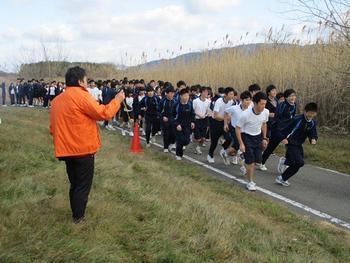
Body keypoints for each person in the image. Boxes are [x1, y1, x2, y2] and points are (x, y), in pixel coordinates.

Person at [50, 66, 125, 224]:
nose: (87, 82)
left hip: (66, 151)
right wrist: (117, 100)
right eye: (86, 80)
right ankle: (78, 218)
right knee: (83, 186)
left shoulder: (57, 101)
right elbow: (104, 113)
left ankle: (76, 214)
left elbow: (53, 128)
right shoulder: (82, 97)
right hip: (83, 150)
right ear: (80, 81)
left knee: (75, 184)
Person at [275, 103, 318, 186]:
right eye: (310, 113)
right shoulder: (297, 119)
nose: (311, 115)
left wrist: (313, 139)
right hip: (290, 142)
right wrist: (283, 138)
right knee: (299, 162)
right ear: (305, 112)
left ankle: (285, 161)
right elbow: (283, 129)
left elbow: (312, 133)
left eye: (313, 113)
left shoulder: (312, 122)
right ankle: (282, 178)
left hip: (299, 144)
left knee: (296, 162)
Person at [235, 92, 269, 191]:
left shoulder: (266, 112)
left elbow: (264, 124)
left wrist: (264, 138)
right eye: (261, 104)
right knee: (251, 163)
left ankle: (242, 156)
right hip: (246, 137)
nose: (263, 106)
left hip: (257, 137)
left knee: (258, 161)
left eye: (264, 104)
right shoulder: (245, 114)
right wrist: (241, 143)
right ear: (255, 103)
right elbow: (237, 128)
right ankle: (250, 182)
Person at [260, 89, 297, 171]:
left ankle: (284, 162)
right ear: (286, 97)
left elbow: (293, 117)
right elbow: (277, 118)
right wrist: (281, 133)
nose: (293, 97)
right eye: (291, 96)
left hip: (288, 130)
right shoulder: (282, 105)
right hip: (278, 129)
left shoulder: (294, 105)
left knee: (291, 146)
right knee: (271, 147)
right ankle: (261, 162)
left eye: (294, 96)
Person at [207, 87, 235, 164]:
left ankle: (223, 149)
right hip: (215, 123)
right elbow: (215, 116)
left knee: (229, 138)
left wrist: (228, 119)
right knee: (214, 142)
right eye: (231, 94)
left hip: (224, 122)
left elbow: (229, 113)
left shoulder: (231, 101)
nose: (232, 96)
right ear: (225, 95)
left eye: (233, 94)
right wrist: (225, 118)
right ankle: (210, 155)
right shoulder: (219, 101)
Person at [224, 91, 252, 167]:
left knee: (238, 149)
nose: (248, 102)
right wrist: (225, 124)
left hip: (245, 131)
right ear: (241, 100)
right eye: (246, 100)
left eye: (249, 100)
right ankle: (242, 167)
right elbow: (226, 112)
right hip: (234, 130)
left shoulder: (251, 109)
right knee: (239, 148)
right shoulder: (234, 108)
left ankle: (226, 153)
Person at [173, 88, 195, 160]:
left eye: (188, 95)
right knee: (180, 140)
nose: (187, 97)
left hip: (187, 126)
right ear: (181, 96)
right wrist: (177, 124)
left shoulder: (190, 104)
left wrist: (192, 122)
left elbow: (192, 114)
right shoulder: (176, 105)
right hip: (178, 126)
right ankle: (178, 155)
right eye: (185, 96)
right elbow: (173, 116)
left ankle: (179, 150)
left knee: (186, 141)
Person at [192, 86, 210, 155]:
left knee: (203, 138)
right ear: (201, 92)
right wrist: (199, 114)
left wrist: (208, 113)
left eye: (207, 92)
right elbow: (193, 110)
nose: (206, 93)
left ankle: (198, 147)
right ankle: (196, 143)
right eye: (205, 92)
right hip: (197, 120)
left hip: (205, 120)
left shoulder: (208, 101)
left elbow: (208, 110)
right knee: (198, 138)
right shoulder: (195, 101)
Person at [159, 85, 176, 152]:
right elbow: (158, 111)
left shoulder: (175, 101)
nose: (172, 94)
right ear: (167, 93)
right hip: (165, 120)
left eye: (173, 93)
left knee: (174, 134)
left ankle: (171, 144)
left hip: (173, 120)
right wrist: (162, 117)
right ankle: (165, 147)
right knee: (166, 134)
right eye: (171, 93)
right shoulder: (163, 101)